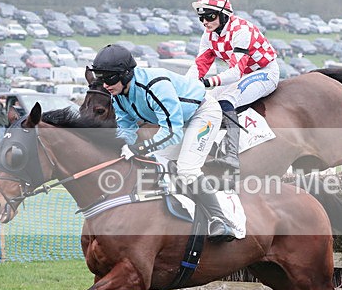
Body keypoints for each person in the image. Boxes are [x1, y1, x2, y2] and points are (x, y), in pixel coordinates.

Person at [88, 44, 235, 240]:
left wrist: (138, 147)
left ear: (125, 74)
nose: (105, 85)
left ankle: (220, 220)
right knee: (157, 163)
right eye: (101, 78)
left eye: (109, 78)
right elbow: (126, 128)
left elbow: (172, 133)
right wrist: (122, 146)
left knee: (187, 169)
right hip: (180, 121)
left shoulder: (155, 85)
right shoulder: (118, 95)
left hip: (203, 114)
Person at [187, 0, 279, 174]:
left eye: (210, 16)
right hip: (243, 73)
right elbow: (200, 66)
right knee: (205, 100)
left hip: (264, 72)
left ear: (223, 14)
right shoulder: (209, 35)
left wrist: (208, 82)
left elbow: (236, 72)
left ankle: (231, 155)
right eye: (201, 17)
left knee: (226, 100)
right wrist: (186, 85)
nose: (205, 22)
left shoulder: (241, 31)